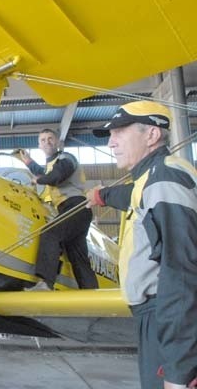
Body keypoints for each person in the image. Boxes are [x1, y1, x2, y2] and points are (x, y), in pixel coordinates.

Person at [86, 100, 197, 389]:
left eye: (120, 132)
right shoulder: (153, 178)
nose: (111, 142)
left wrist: (179, 368)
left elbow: (182, 273)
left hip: (168, 316)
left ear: (152, 135)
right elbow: (133, 196)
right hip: (159, 317)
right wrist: (103, 195)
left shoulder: (165, 179)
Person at [16, 128, 98, 291]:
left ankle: (45, 283)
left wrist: (37, 181)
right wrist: (29, 163)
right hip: (74, 210)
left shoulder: (66, 158)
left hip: (76, 206)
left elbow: (56, 176)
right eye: (43, 140)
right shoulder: (51, 165)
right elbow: (45, 172)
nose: (47, 142)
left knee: (50, 233)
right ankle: (93, 294)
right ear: (39, 145)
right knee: (78, 256)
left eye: (50, 138)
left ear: (58, 142)